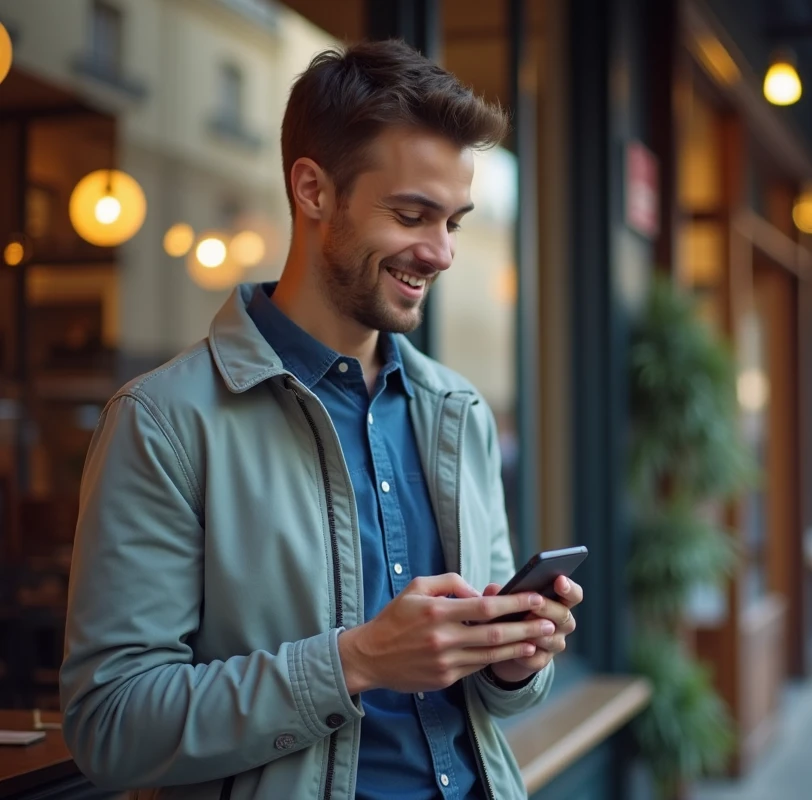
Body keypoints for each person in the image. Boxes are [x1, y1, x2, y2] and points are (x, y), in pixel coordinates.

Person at [59, 40, 581, 799]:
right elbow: (110, 725)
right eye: (412, 214)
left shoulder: (457, 412)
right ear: (312, 191)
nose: (439, 253)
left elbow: (495, 702)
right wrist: (356, 661)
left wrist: (513, 660)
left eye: (455, 223)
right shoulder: (162, 423)